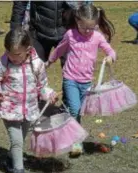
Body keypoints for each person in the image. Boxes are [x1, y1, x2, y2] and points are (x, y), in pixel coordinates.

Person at [46, 3, 116, 156]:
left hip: (86, 82)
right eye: (84, 27)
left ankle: (68, 133)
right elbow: (59, 49)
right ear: (77, 21)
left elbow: (109, 49)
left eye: (92, 28)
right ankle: (76, 143)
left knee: (79, 111)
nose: (88, 31)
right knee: (75, 109)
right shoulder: (70, 35)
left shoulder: (97, 37)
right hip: (70, 79)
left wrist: (111, 56)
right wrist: (50, 61)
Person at [0, 28, 58, 173]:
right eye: (9, 52)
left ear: (28, 49)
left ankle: (10, 158)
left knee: (20, 140)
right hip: (9, 109)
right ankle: (18, 169)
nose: (12, 57)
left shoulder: (37, 64)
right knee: (17, 141)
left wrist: (49, 94)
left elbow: (42, 86)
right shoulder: (3, 63)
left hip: (30, 110)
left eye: (17, 54)